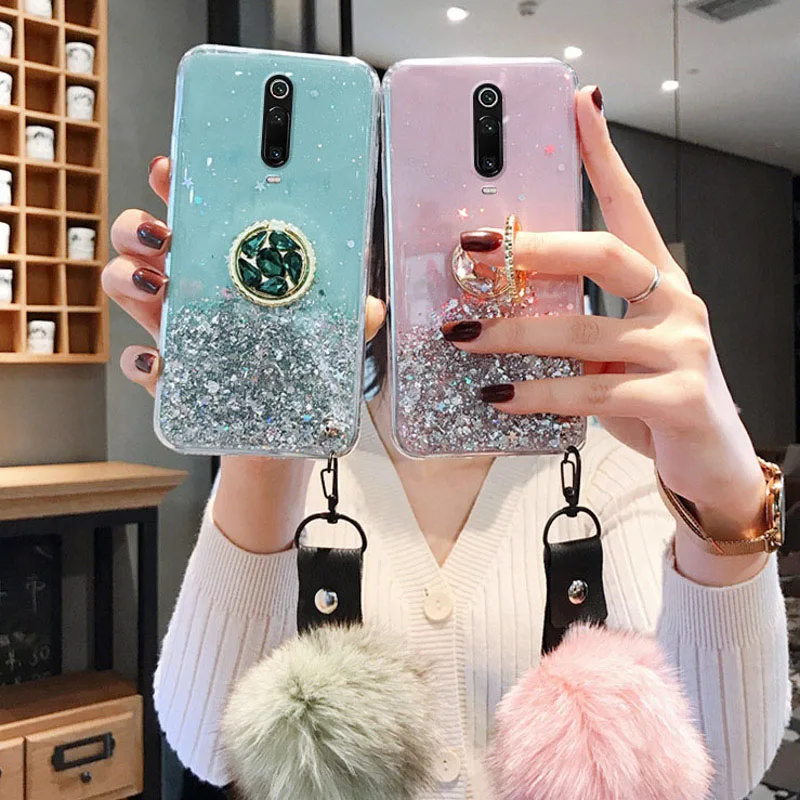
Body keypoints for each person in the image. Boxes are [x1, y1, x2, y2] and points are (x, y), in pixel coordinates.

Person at [103, 86, 789, 800]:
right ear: (371, 234)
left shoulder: (626, 459)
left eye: (502, 227)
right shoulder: (306, 464)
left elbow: (722, 772)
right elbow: (210, 748)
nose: (468, 258)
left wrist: (726, 502)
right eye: (423, 212)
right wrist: (268, 448)